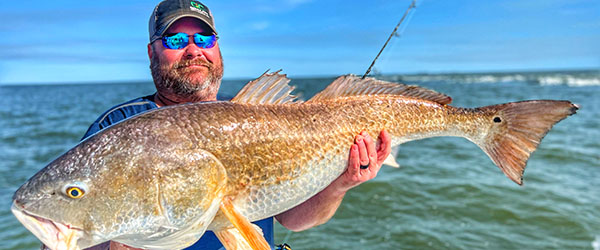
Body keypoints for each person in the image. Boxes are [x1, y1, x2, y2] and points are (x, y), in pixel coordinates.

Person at [80, 0, 392, 249]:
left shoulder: (255, 115)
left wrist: (341, 184)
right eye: (175, 40)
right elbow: (64, 236)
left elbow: (294, 219)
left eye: (204, 38)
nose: (193, 49)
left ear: (217, 47)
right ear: (152, 51)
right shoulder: (117, 128)